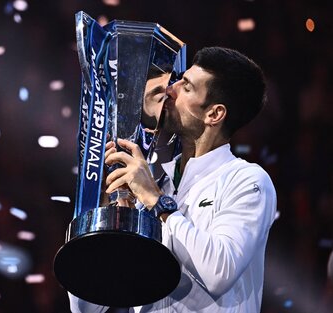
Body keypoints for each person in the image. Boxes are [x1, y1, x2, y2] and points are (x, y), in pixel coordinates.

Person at [68, 46, 277, 313]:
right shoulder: (155, 185)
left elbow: (219, 271)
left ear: (214, 114)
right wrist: (103, 218)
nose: (170, 89)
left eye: (186, 87)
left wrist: (158, 203)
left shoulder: (248, 181)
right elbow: (86, 306)